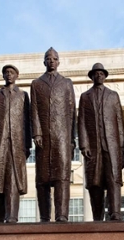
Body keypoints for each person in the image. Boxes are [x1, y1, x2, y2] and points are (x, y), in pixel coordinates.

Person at [30, 47, 76, 222]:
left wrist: (72, 139)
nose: (51, 61)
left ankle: (62, 214)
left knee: (62, 177)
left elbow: (72, 112)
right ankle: (44, 216)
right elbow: (33, 110)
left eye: (54, 58)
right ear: (44, 62)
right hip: (44, 138)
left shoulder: (66, 83)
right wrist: (36, 133)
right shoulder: (37, 84)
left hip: (62, 138)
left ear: (58, 61)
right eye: (48, 58)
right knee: (42, 179)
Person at [78, 63, 124, 221]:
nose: (98, 76)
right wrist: (84, 144)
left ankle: (115, 213)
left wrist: (122, 145)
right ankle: (97, 217)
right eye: (95, 73)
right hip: (93, 146)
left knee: (113, 179)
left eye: (101, 73)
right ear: (91, 76)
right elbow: (82, 121)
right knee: (95, 182)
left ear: (105, 76)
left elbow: (119, 120)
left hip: (112, 146)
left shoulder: (113, 95)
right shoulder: (85, 97)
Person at [0, 64, 31, 223]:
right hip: (0, 144)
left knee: (13, 180)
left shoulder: (23, 96)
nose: (9, 75)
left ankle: (12, 216)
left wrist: (27, 145)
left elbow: (27, 122)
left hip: (17, 145)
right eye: (6, 73)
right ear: (3, 76)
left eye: (12, 72)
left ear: (17, 76)